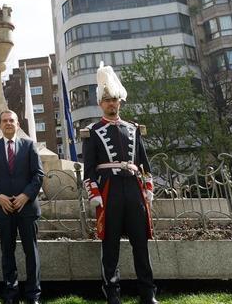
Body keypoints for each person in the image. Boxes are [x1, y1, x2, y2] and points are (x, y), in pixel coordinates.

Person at [82, 63, 156, 304]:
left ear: (120, 102)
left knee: (140, 244)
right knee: (110, 246)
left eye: (114, 99)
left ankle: (148, 293)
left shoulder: (133, 129)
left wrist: (147, 188)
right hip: (109, 190)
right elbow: (89, 169)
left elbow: (144, 165)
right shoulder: (92, 131)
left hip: (133, 190)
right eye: (106, 100)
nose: (111, 104)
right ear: (100, 104)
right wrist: (94, 192)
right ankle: (112, 294)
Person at [0, 110, 44, 304]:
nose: (8, 123)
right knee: (7, 253)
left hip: (27, 209)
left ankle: (33, 294)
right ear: (0, 125)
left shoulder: (30, 145)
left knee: (30, 252)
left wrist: (26, 195)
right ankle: (11, 293)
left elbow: (38, 175)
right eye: (4, 121)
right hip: (3, 209)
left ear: (17, 124)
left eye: (12, 121)